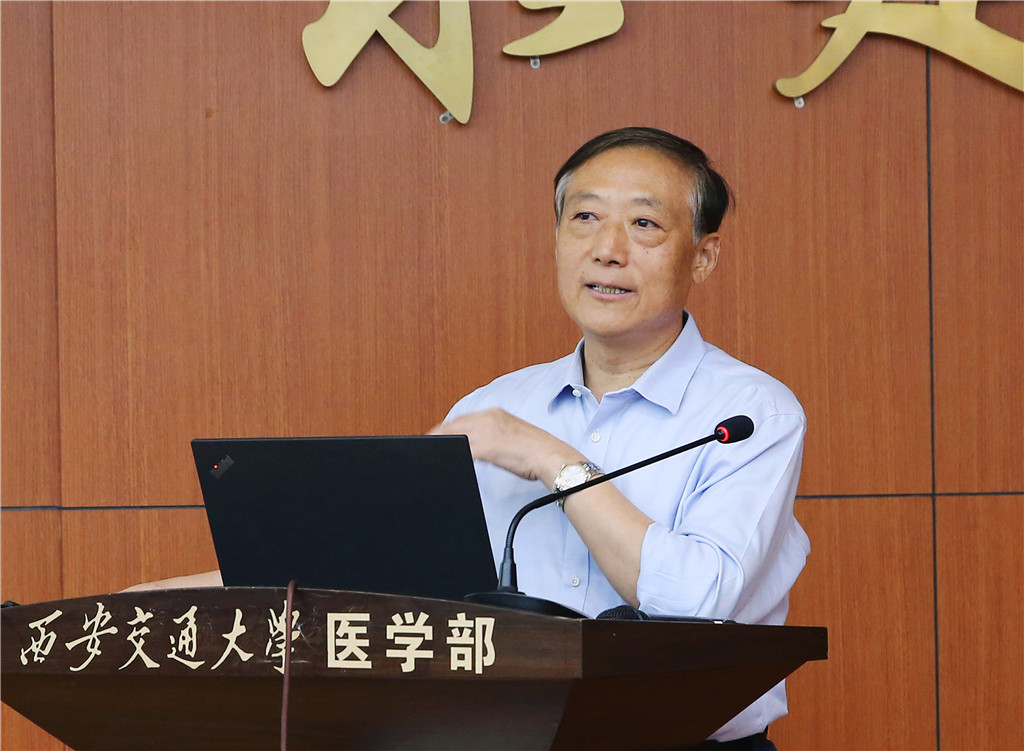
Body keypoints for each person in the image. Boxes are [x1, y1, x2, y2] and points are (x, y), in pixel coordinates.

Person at [429, 127, 809, 748]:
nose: (607, 251)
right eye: (585, 218)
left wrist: (553, 459)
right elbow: (413, 594)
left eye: (644, 224)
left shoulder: (750, 414)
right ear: (557, 238)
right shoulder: (492, 409)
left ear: (703, 256)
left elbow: (695, 605)